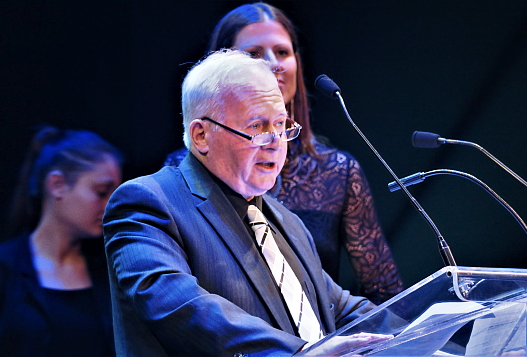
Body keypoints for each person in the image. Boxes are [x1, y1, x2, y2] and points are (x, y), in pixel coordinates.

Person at [104, 50, 393, 356]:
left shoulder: (285, 221)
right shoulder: (148, 203)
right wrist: (301, 353)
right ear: (201, 135)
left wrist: (430, 333)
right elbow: (179, 305)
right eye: (257, 126)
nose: (275, 141)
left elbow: (339, 307)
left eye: (281, 124)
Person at [164, 2, 403, 304]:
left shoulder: (337, 172)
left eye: (282, 52)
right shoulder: (181, 174)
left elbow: (379, 292)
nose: (271, 64)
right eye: (253, 54)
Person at [0, 126, 122, 356]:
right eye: (101, 192)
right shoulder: (7, 269)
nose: (109, 206)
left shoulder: (109, 271)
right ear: (57, 185)